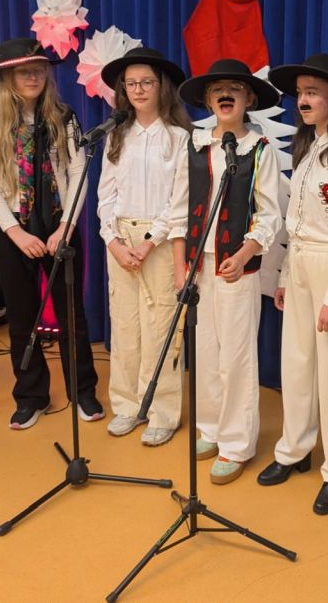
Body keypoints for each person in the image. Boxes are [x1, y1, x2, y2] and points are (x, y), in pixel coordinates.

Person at [255, 54, 328, 515]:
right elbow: (297, 224)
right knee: (297, 363)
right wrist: (286, 275)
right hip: (303, 263)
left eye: (313, 93)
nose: (303, 101)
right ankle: (295, 447)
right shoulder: (308, 151)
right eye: (301, 93)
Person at [0, 37, 103, 429]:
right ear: (7, 77)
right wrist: (15, 233)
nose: (33, 77)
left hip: (59, 223)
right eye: (24, 71)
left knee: (72, 315)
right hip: (13, 228)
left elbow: (78, 171)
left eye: (39, 69)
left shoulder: (64, 115)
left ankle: (83, 391)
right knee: (22, 317)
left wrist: (66, 226)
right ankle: (31, 396)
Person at [167, 59, 282, 485]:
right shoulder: (195, 146)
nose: (226, 94)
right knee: (206, 352)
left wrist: (247, 250)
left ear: (248, 98)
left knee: (236, 356)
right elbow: (179, 208)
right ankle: (211, 428)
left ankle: (236, 443)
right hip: (198, 266)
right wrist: (180, 265)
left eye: (235, 88)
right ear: (208, 99)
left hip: (237, 268)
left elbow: (270, 214)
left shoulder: (259, 149)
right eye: (218, 89)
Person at [96, 47, 192, 446]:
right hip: (121, 239)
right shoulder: (117, 135)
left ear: (161, 86)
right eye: (131, 83)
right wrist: (113, 240)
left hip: (160, 241)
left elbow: (179, 200)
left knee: (160, 327)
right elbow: (105, 194)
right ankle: (127, 405)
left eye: (146, 82)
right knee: (125, 325)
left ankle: (161, 410)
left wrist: (150, 242)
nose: (137, 90)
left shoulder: (179, 138)